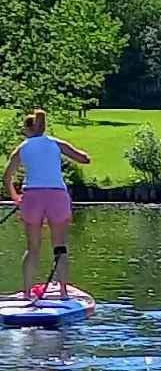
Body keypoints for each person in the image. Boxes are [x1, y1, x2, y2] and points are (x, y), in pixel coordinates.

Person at [3, 109, 91, 300]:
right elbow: (84, 159)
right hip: (57, 195)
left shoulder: (22, 148)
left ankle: (26, 293)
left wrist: (14, 196)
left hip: (32, 196)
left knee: (32, 248)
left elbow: (7, 176)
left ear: (28, 130)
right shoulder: (56, 143)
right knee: (60, 246)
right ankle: (63, 292)